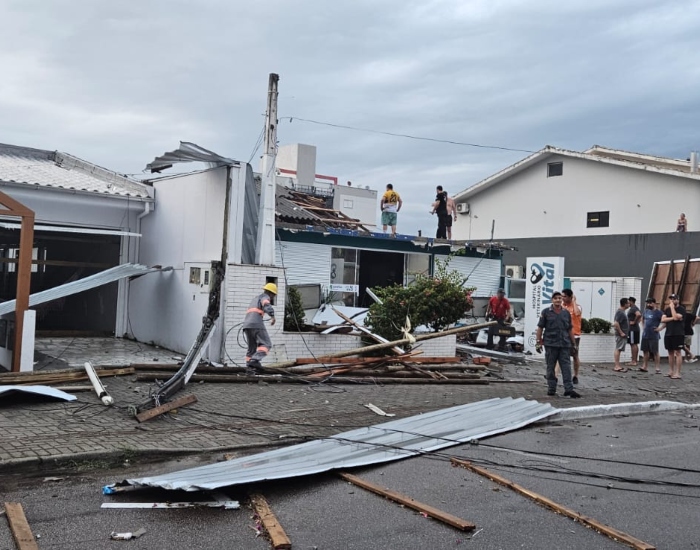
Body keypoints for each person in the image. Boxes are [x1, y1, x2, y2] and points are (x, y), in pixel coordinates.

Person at [536, 291, 580, 398]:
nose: (558, 300)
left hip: (564, 344)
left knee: (566, 367)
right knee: (550, 367)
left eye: (560, 298)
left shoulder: (566, 313)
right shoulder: (546, 312)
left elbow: (569, 329)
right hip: (550, 344)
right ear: (552, 300)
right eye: (555, 298)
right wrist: (538, 342)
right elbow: (540, 328)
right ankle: (551, 388)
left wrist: (573, 343)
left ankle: (569, 390)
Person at [242, 282, 277, 374]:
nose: (272, 298)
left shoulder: (255, 299)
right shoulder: (265, 297)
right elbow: (266, 304)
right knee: (266, 344)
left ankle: (249, 369)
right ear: (271, 293)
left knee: (251, 348)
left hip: (247, 325)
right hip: (256, 324)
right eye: (273, 295)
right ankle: (254, 360)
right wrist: (272, 316)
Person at [661, 293, 685, 379]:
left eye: (674, 299)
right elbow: (663, 319)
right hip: (669, 333)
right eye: (671, 299)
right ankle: (671, 371)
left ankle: (677, 373)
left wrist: (672, 308)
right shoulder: (666, 309)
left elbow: (676, 317)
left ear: (678, 300)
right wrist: (672, 318)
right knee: (670, 352)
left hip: (678, 333)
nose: (672, 300)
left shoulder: (681, 309)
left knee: (678, 352)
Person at [561, 289, 582, 384]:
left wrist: (574, 301)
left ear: (570, 297)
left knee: (575, 355)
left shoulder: (577, 307)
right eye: (562, 296)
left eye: (565, 296)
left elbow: (577, 313)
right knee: (560, 354)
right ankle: (555, 375)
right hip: (563, 334)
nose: (563, 298)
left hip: (575, 335)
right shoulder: (562, 306)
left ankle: (575, 375)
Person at [641, 297, 664, 374]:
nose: (648, 304)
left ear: (654, 303)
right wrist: (643, 327)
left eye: (650, 303)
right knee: (645, 351)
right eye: (647, 303)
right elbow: (642, 319)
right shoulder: (646, 311)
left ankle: (657, 368)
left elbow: (665, 321)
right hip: (645, 334)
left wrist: (659, 328)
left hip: (654, 335)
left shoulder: (659, 313)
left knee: (655, 351)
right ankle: (645, 366)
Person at [613, 297, 630, 372]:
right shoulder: (620, 312)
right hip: (620, 334)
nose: (629, 304)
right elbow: (616, 323)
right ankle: (617, 366)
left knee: (619, 349)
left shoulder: (622, 312)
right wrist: (621, 332)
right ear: (625, 304)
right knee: (618, 348)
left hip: (623, 334)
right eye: (628, 303)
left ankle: (617, 365)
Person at [626, 297, 642, 367]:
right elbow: (640, 317)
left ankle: (634, 361)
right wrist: (637, 321)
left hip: (633, 329)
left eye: (628, 302)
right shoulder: (634, 308)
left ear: (631, 301)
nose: (628, 303)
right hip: (634, 329)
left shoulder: (634, 308)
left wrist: (634, 322)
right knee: (633, 344)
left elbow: (638, 315)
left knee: (633, 344)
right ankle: (634, 360)